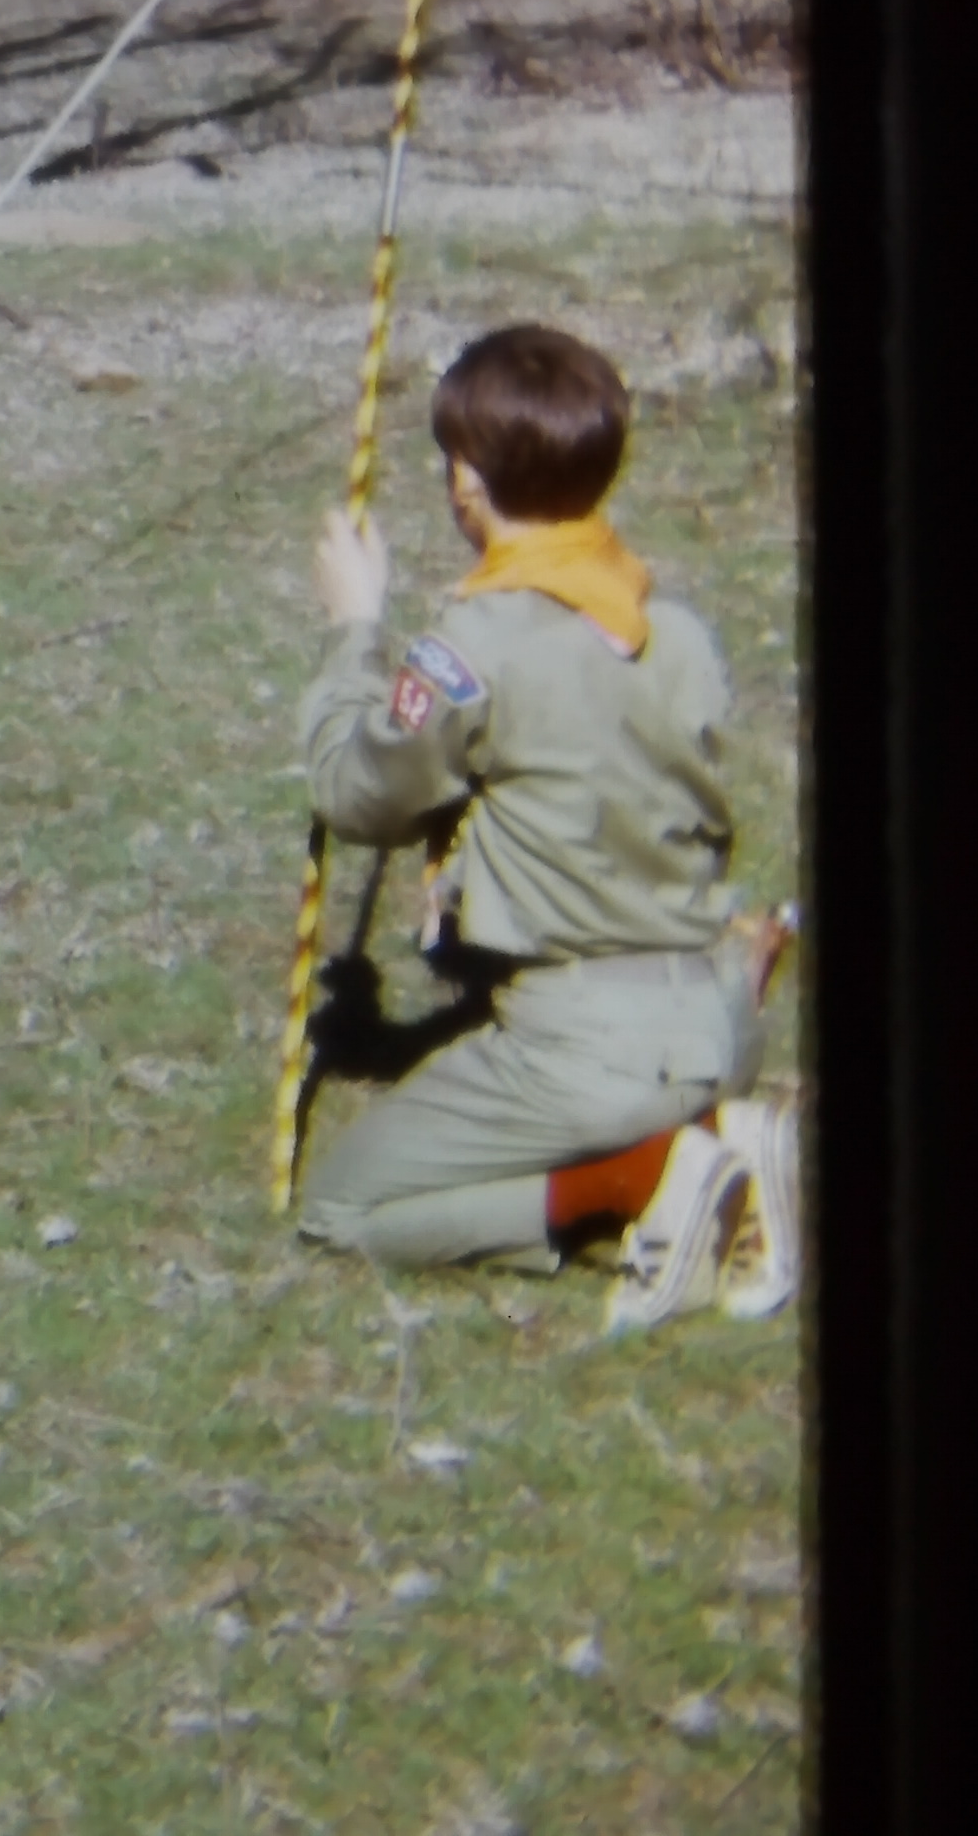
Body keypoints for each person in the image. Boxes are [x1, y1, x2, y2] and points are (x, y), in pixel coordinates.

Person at [295, 324, 801, 1330]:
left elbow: (357, 796)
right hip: (714, 1011)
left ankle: (641, 1182)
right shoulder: (681, 633)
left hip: (591, 1054)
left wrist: (355, 630)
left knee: (341, 1206)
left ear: (467, 485)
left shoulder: (467, 651)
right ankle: (722, 1119)